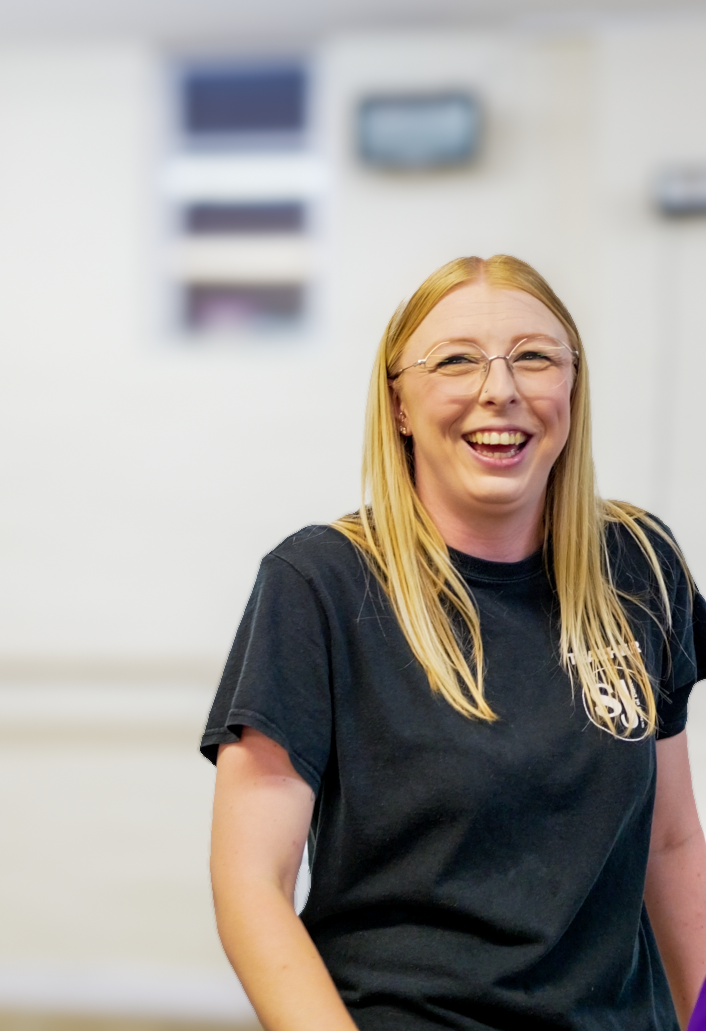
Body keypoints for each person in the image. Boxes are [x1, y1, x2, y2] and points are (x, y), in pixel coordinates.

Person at [203, 255, 706, 1030]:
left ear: (573, 386)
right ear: (399, 405)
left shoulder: (640, 565)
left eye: (534, 356)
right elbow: (252, 884)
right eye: (456, 360)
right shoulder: (319, 584)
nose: (499, 389)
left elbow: (670, 842)